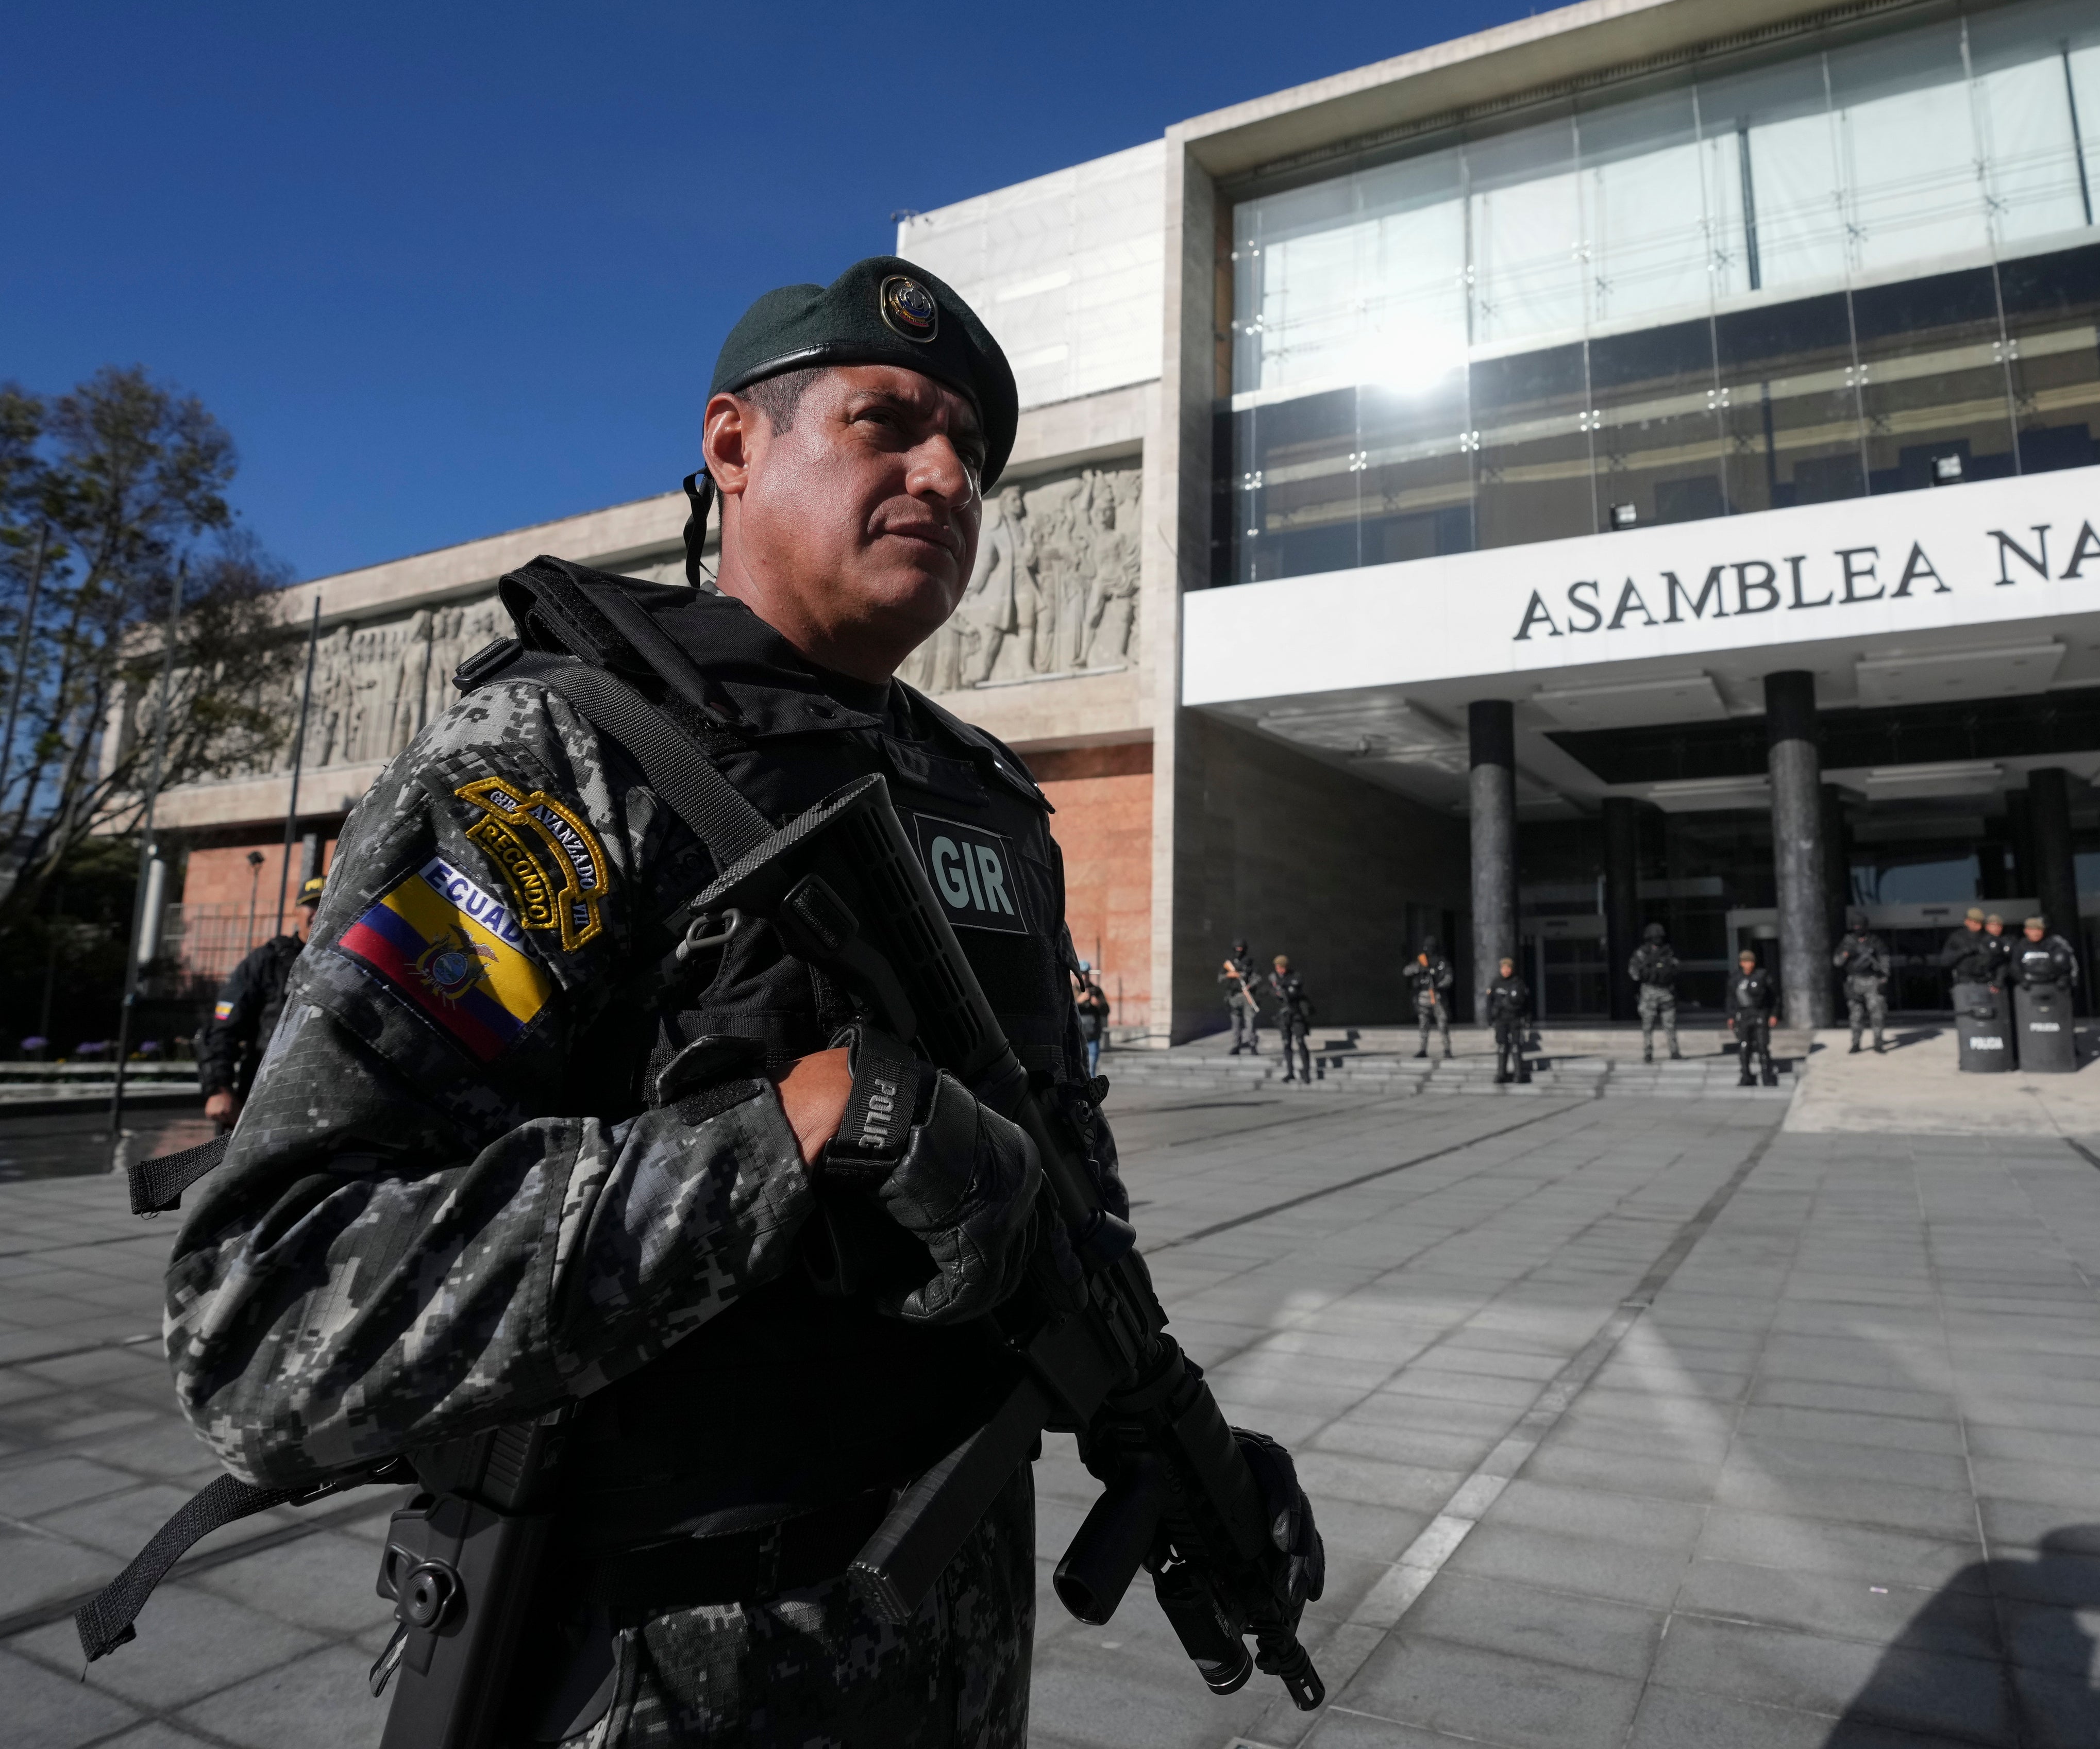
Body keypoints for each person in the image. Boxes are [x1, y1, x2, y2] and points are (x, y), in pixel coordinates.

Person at [160, 257, 1316, 1745]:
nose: (946, 475)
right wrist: (790, 1137)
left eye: (972, 453)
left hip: (951, 1673)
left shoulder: (985, 804)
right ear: (733, 446)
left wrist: (1171, 1421)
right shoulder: (558, 764)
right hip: (667, 1670)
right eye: (886, 422)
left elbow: (1059, 1196)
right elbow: (266, 1320)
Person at [195, 874, 323, 1128]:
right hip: (264, 1099)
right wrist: (219, 1089)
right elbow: (223, 1028)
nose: (319, 913)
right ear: (296, 911)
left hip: (327, 1102)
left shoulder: (354, 963)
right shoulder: (268, 961)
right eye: (312, 904)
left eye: (328, 903)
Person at [1834, 916, 1891, 1055]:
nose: (1858, 929)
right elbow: (1837, 962)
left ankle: (1878, 1043)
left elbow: (1884, 960)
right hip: (1854, 982)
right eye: (1856, 926)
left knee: (1877, 1014)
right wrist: (1847, 953)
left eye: (1860, 926)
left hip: (1872, 981)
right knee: (1856, 1015)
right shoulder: (1848, 942)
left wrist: (1884, 979)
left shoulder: (1875, 941)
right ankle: (1856, 1044)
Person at [1626, 922, 1681, 1063]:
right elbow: (1634, 972)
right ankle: (1650, 1052)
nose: (1658, 940)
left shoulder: (1667, 952)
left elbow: (1676, 969)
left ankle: (1672, 1051)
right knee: (1649, 1024)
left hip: (1661, 991)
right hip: (1652, 990)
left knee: (1667, 1023)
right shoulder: (1643, 953)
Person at [1727, 947, 1779, 1088]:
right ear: (1741, 963)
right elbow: (1731, 999)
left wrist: (1774, 1014)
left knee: (1763, 1045)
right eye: (1745, 962)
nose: (1748, 965)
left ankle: (1767, 1076)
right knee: (1744, 1046)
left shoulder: (1762, 976)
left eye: (1750, 962)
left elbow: (1774, 998)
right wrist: (1731, 1016)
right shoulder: (1736, 979)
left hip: (1760, 1013)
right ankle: (1746, 1075)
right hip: (1743, 1015)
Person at [1482, 956, 1533, 1085]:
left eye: (1508, 968)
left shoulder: (1518, 983)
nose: (1506, 971)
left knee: (1516, 1046)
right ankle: (1501, 1074)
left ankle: (1518, 1074)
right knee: (1502, 1046)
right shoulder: (1496, 983)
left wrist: (1528, 1018)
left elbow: (1526, 1002)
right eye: (1504, 968)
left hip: (1515, 1018)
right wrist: (1489, 1017)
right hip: (1501, 1019)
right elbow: (1490, 1002)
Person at [1403, 937, 1453, 1059]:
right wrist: (1419, 968)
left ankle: (1447, 1049)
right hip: (1423, 995)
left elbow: (1449, 978)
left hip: (1436, 995)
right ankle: (1423, 1049)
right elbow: (1406, 971)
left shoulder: (1442, 963)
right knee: (1423, 1024)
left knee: (1442, 1023)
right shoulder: (1421, 961)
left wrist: (1439, 985)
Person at [1268, 953, 1315, 1086]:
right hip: (1284, 1016)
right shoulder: (1274, 978)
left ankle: (1306, 1072)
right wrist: (1276, 992)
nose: (1279, 970)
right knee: (1286, 1043)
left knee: (1300, 1041)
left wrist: (1285, 989)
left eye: (1281, 967)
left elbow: (1296, 989)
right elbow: (1270, 991)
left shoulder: (1295, 976)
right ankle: (1290, 1072)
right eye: (1277, 967)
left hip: (1296, 1014)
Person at [2005, 915, 2077, 994]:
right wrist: (2022, 980)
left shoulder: (2053, 944)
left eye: (2039, 930)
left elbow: (2064, 964)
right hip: (2029, 986)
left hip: (2051, 984)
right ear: (2026, 931)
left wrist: (2063, 979)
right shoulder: (2020, 946)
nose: (2036, 933)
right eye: (2033, 930)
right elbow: (2014, 967)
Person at [1218, 938, 1261, 1055]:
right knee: (1236, 1023)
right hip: (1234, 996)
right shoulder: (1230, 963)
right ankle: (1236, 1045)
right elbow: (1220, 978)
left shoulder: (1250, 962)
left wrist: (1249, 985)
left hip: (1246, 995)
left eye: (1241, 949)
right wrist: (1230, 975)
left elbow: (1257, 977)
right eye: (1237, 949)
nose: (1239, 952)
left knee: (1250, 1022)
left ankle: (1252, 1045)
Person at [1074, 958, 1110, 1078]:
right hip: (1077, 1037)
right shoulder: (1072, 990)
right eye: (1082, 974)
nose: (1084, 977)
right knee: (1078, 1070)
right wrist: (1078, 1001)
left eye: (1086, 974)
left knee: (1091, 1070)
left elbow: (1106, 1011)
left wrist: (1098, 1004)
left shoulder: (1096, 991)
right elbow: (1065, 1009)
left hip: (1093, 1035)